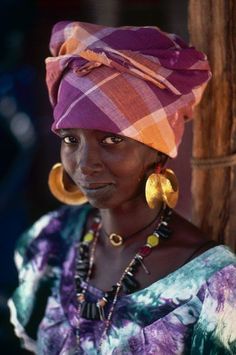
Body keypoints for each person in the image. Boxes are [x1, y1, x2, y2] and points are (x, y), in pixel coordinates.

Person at [8, 21, 236, 355]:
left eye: (112, 140)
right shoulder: (49, 242)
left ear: (157, 150)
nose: (85, 163)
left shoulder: (214, 283)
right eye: (71, 139)